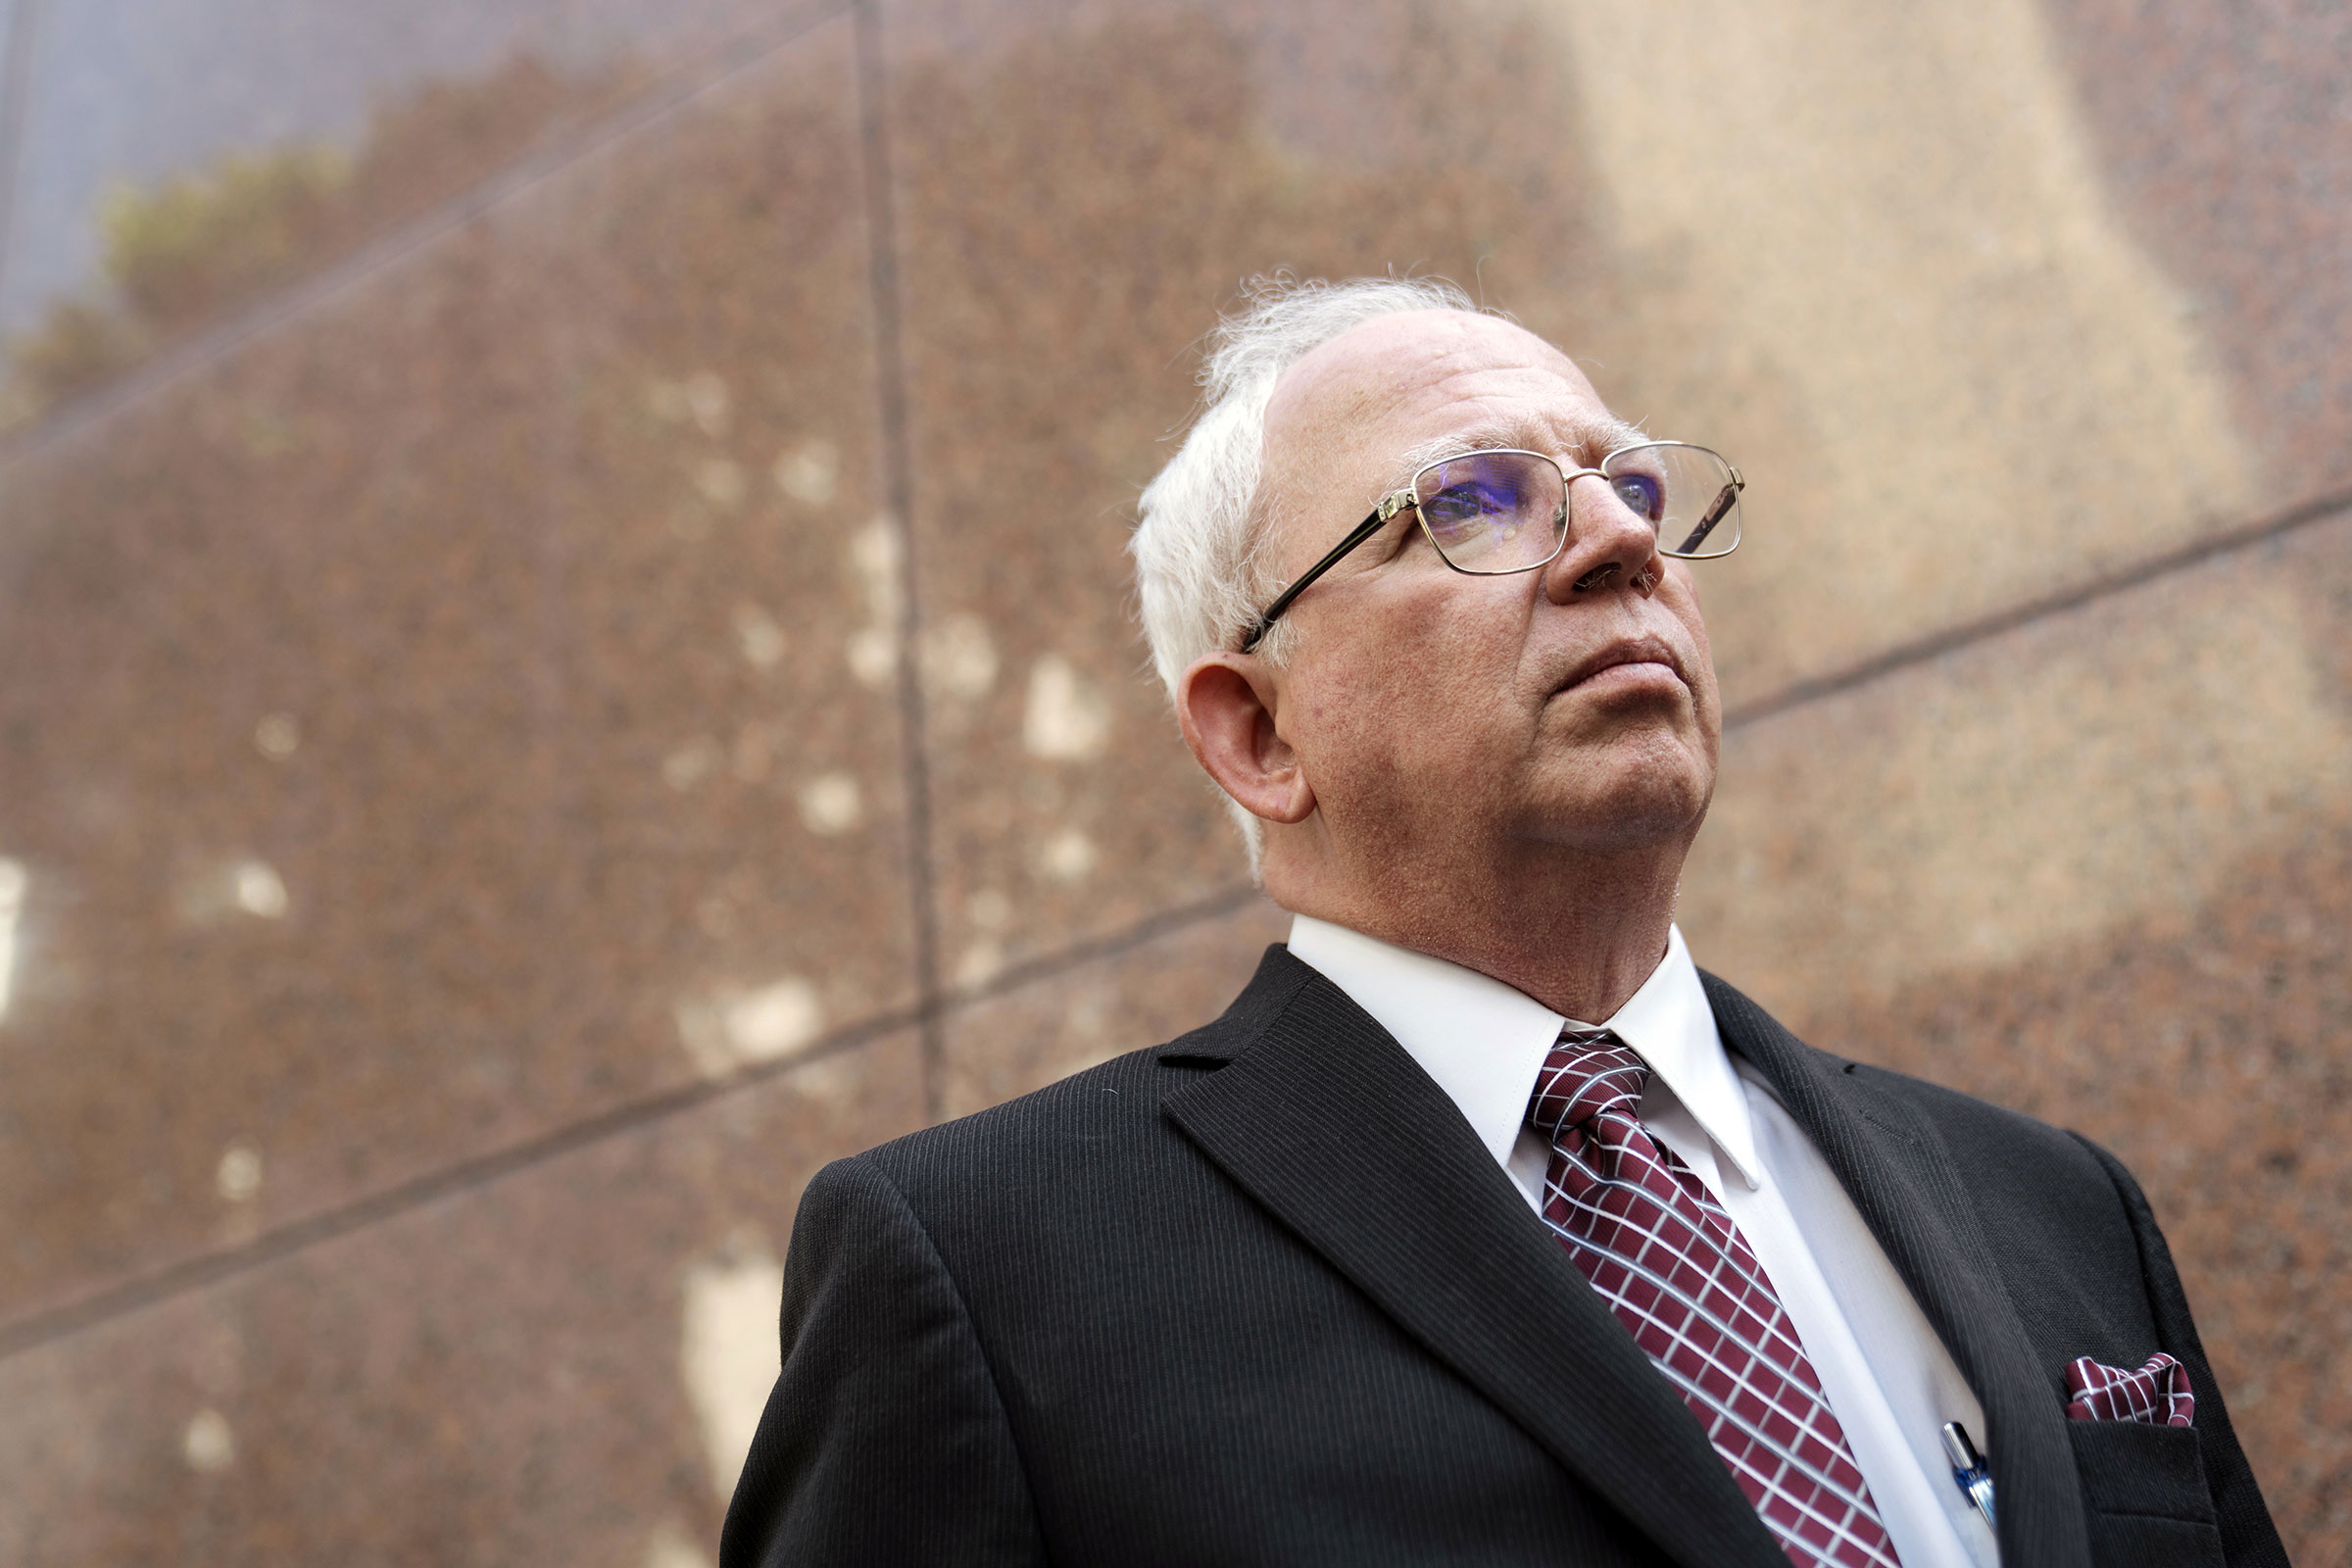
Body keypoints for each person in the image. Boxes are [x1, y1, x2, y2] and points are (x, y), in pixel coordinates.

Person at [718, 277, 2285, 1567]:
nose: (1620, 543)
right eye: (1470, 502)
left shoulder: (2060, 1209)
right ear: (1258, 735)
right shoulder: (990, 1279)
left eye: (1634, 485)